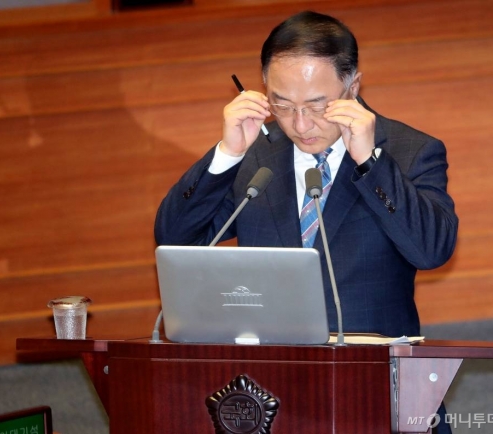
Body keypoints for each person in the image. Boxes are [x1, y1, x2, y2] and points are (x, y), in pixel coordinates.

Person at [155, 11, 458, 431]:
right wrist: (226, 155)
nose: (300, 124)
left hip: (375, 388)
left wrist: (370, 162)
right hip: (269, 394)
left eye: (317, 105)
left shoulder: (408, 152)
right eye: (281, 104)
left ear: (353, 86)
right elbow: (175, 239)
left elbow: (432, 249)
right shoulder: (254, 155)